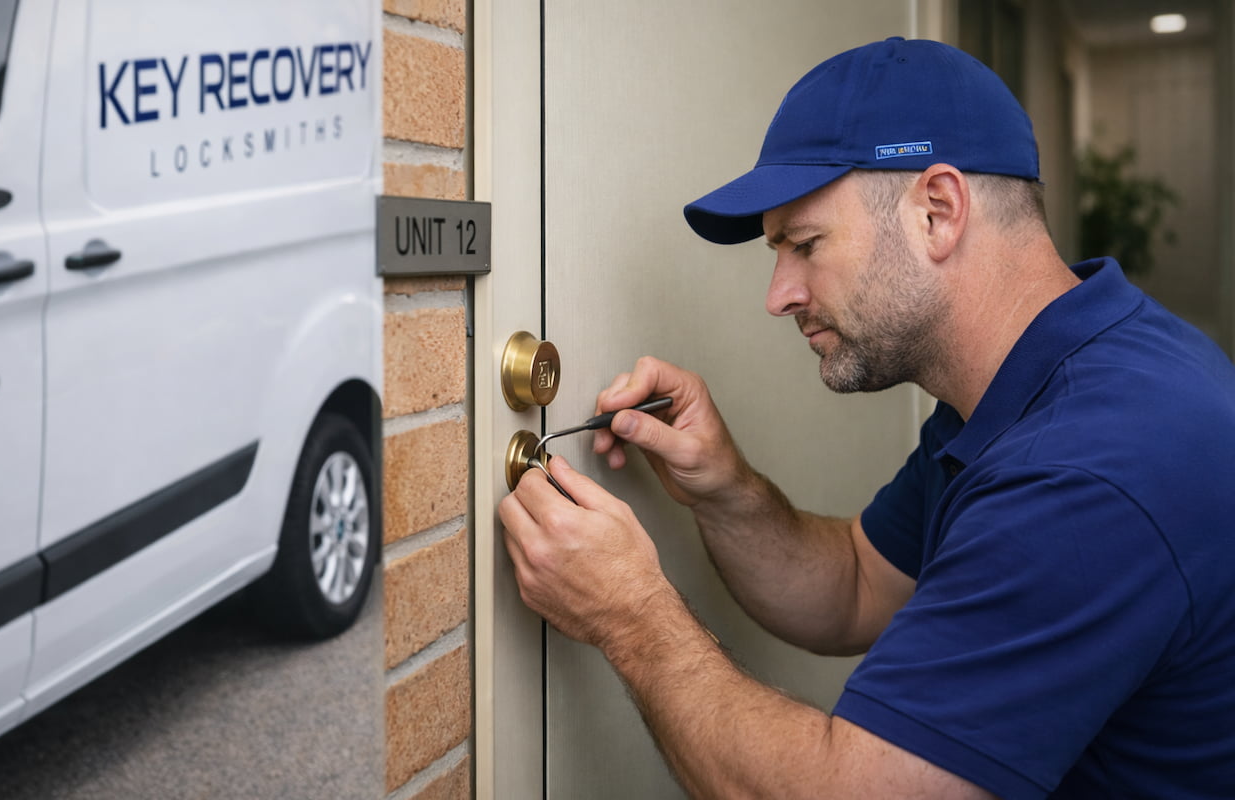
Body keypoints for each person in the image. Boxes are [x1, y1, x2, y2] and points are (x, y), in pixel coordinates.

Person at [498, 37, 1235, 799]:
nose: (778, 295)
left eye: (805, 244)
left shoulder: (1088, 469)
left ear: (938, 212)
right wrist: (724, 489)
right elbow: (854, 585)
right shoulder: (1026, 382)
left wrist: (631, 615)